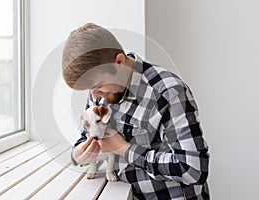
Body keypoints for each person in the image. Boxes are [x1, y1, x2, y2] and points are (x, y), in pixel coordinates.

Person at [62, 23, 210, 200]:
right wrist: (79, 155)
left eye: (98, 86)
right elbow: (84, 136)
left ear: (118, 62)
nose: (94, 96)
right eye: (89, 89)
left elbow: (193, 169)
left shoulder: (168, 92)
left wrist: (124, 149)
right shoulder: (101, 92)